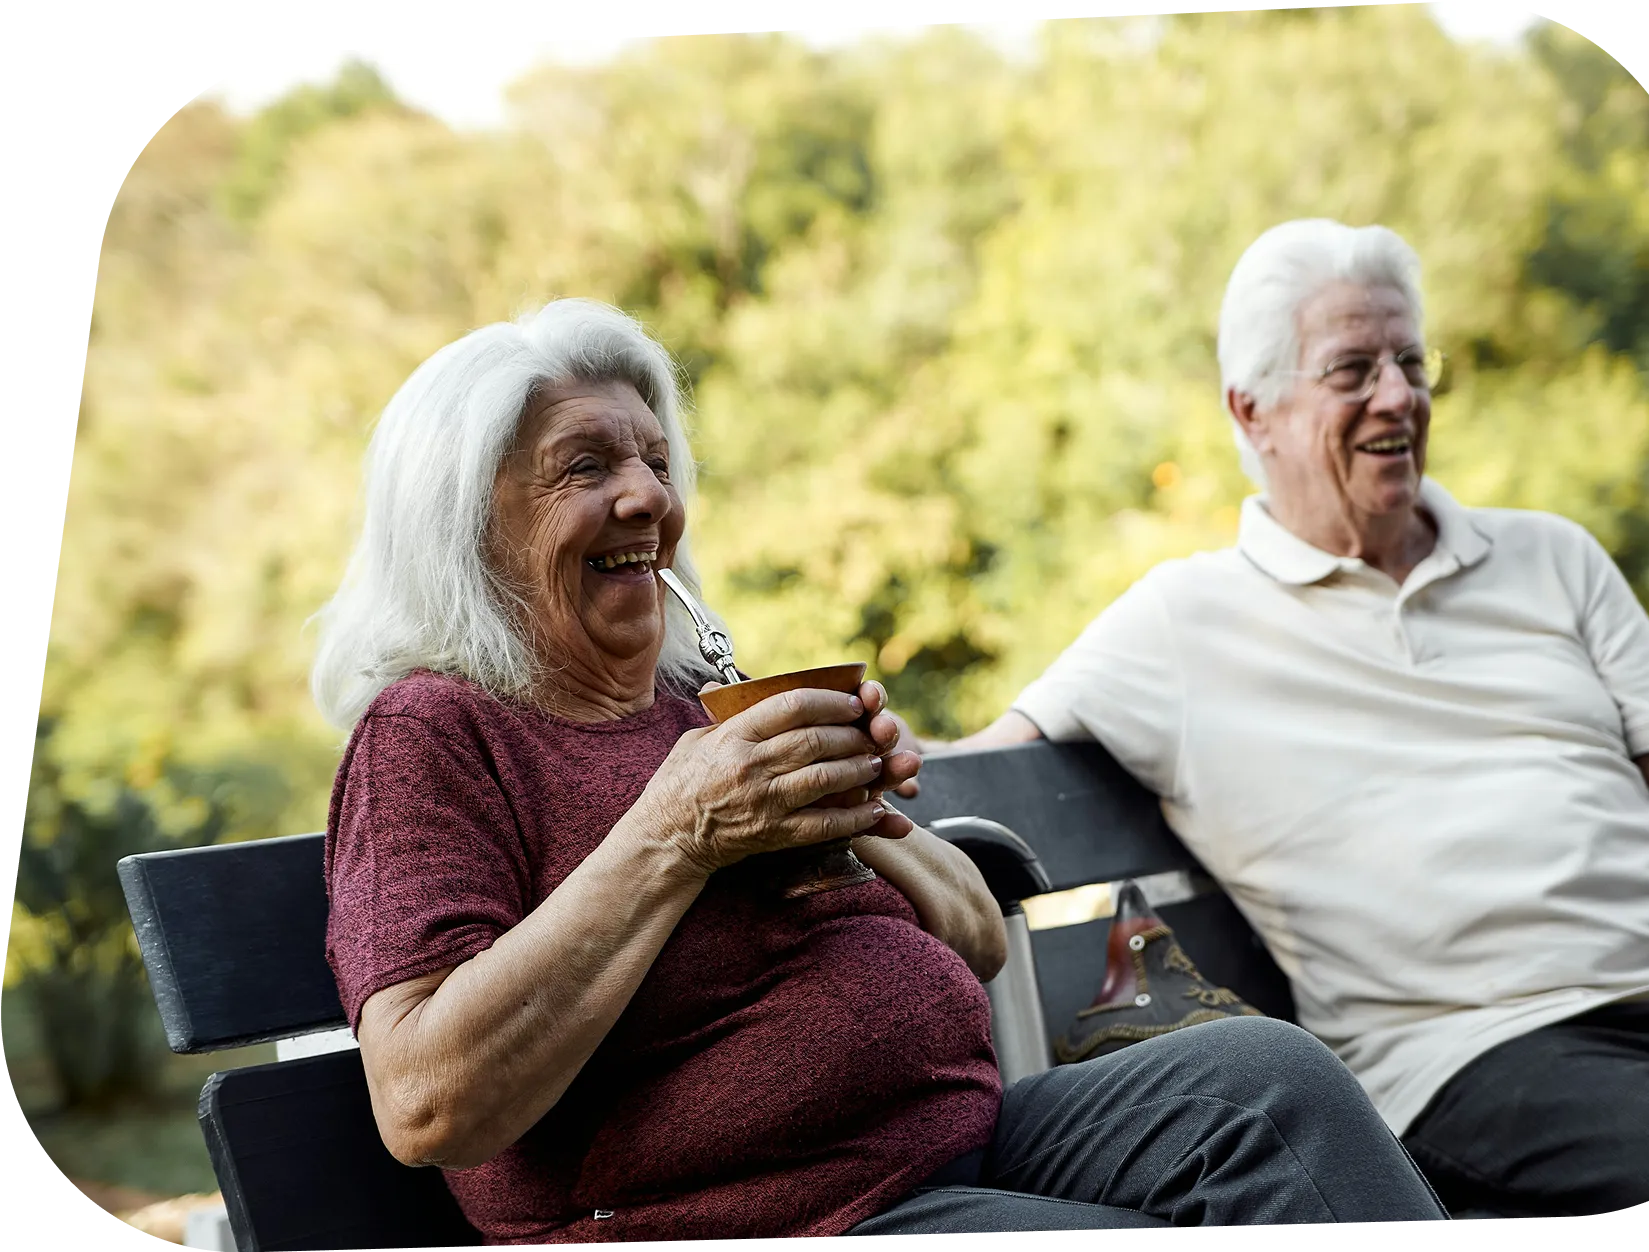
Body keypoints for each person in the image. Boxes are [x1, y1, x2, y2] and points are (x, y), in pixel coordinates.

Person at [309, 298, 1448, 1243]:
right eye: (585, 466)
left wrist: (849, 814)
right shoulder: (432, 733)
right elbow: (426, 1099)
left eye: (658, 460)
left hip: (954, 1144)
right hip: (746, 1219)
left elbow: (977, 934)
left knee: (1273, 1086)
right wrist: (675, 833)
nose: (650, 496)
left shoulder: (695, 708)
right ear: (467, 521)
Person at [904, 219, 1649, 1221]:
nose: (1399, 395)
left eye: (1413, 361)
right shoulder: (1179, 624)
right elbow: (964, 768)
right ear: (1255, 412)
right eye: (1354, 368)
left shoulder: (1556, 557)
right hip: (1486, 1057)